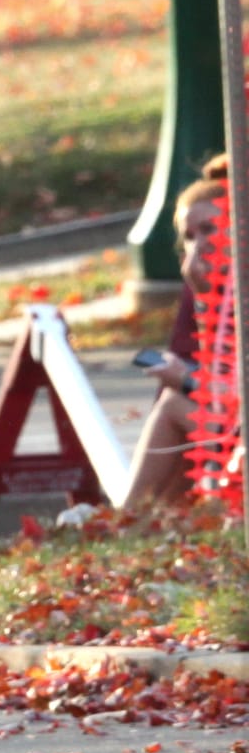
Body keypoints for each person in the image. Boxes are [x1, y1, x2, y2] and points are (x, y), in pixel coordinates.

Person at [127, 158, 230, 507]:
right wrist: (203, 300)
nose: (198, 244)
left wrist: (187, 380)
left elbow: (234, 397)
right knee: (175, 402)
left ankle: (128, 517)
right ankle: (148, 518)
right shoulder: (203, 288)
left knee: (176, 402)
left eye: (209, 229)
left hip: (237, 432)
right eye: (189, 236)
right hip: (230, 429)